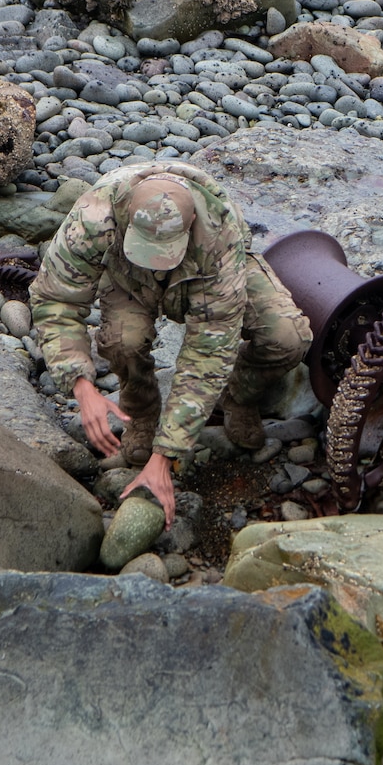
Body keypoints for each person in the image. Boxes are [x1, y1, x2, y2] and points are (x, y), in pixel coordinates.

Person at [30, 161, 311, 524]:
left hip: (204, 271)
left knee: (287, 337)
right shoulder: (93, 218)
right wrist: (81, 386)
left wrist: (166, 456)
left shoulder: (219, 234)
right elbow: (55, 299)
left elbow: (207, 352)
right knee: (122, 343)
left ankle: (239, 396)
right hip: (126, 275)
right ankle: (141, 411)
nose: (156, 264)